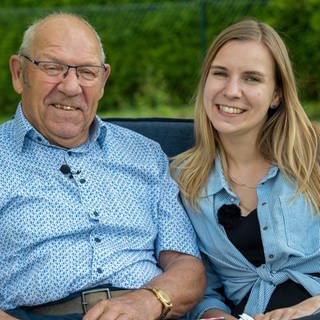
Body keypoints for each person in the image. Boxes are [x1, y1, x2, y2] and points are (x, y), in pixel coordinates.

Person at [0, 12, 206, 320]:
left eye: (86, 72)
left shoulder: (146, 155)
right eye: (53, 67)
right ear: (19, 73)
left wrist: (149, 302)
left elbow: (187, 267)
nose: (71, 86)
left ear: (103, 80)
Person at [171, 19, 320, 320]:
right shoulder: (181, 178)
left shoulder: (312, 160)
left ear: (277, 94)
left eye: (252, 78)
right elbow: (198, 278)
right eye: (220, 74)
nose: (232, 90)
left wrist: (311, 307)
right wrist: (212, 315)